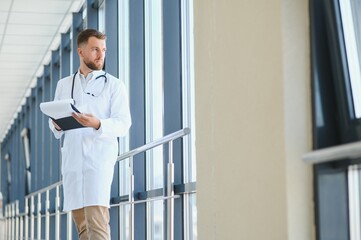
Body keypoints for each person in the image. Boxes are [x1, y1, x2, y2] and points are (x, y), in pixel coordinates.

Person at [49, 28, 131, 239]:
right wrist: (57, 124)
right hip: (73, 164)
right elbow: (55, 124)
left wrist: (97, 124)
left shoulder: (114, 85)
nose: (100, 54)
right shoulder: (64, 85)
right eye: (95, 49)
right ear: (80, 51)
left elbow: (123, 124)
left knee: (98, 228)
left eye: (103, 49)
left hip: (98, 163)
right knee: (83, 229)